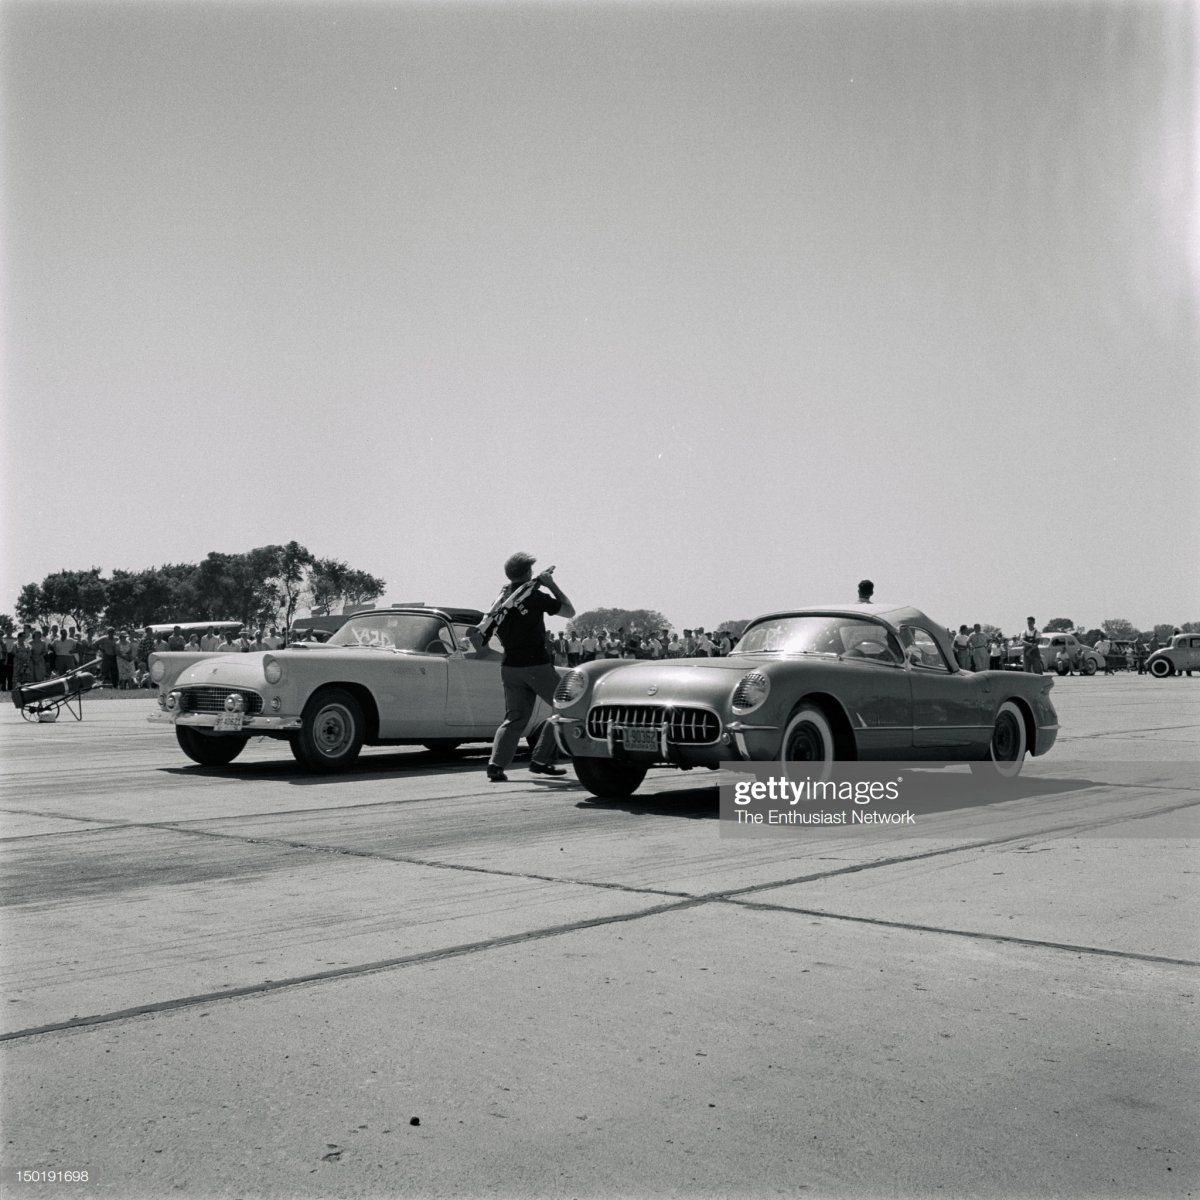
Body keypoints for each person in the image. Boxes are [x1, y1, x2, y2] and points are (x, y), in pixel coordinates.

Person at [481, 552, 576, 783]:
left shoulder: (502, 599)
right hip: (536, 665)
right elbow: (569, 611)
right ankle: (541, 759)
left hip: (510, 666)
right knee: (565, 709)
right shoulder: (535, 597)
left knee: (515, 718)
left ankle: (496, 765)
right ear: (528, 574)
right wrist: (552, 585)